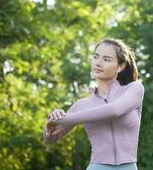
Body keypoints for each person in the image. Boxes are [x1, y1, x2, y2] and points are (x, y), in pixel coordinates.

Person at [43, 38, 145, 170]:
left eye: (106, 59)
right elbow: (52, 139)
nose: (98, 63)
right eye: (96, 57)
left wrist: (64, 119)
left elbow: (114, 110)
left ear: (120, 67)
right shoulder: (82, 105)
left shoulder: (134, 89)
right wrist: (49, 128)